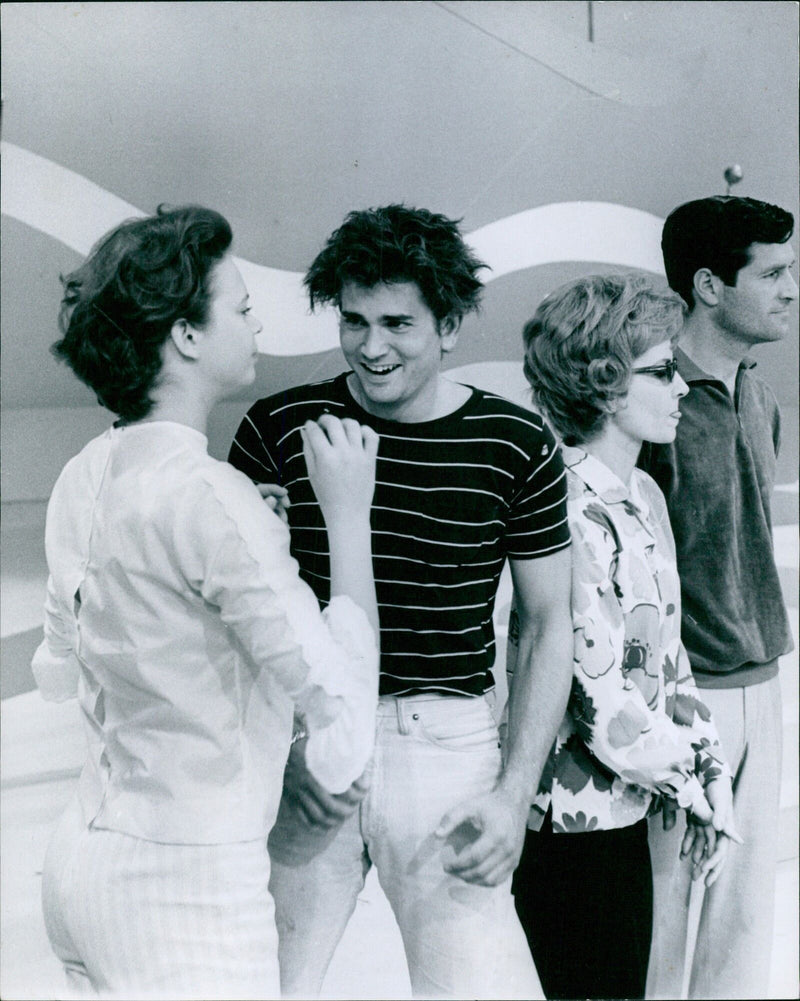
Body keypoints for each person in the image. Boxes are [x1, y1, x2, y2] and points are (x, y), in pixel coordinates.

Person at [31, 205, 381, 999]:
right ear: (186, 336)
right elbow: (344, 732)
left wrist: (231, 554)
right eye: (241, 306)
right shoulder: (210, 496)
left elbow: (57, 671)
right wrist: (347, 516)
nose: (257, 320)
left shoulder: (84, 472)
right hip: (186, 894)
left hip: (81, 868)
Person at [228, 204, 573, 999]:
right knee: (262, 983)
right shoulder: (278, 426)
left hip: (446, 746)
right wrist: (277, 761)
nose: (371, 346)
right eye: (354, 320)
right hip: (306, 743)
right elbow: (237, 622)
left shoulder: (515, 442)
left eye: (397, 323)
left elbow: (548, 625)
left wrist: (513, 796)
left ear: (449, 324)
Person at [509, 273, 739, 1001]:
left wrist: (707, 777)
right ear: (604, 384)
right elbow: (602, 708)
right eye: (662, 371)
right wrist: (700, 782)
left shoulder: (644, 496)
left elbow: (670, 666)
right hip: (567, 830)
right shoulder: (564, 509)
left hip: (633, 810)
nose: (682, 388)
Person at [640, 196, 797, 1000]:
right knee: (662, 937)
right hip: (680, 700)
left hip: (761, 689)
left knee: (741, 940)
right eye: (771, 273)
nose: (790, 289)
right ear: (708, 284)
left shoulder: (760, 400)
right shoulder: (650, 403)